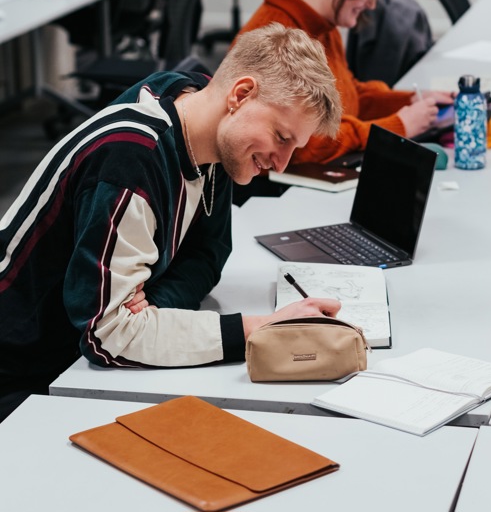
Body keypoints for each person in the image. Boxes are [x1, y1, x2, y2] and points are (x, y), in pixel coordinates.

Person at [0, 23, 342, 421]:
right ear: (241, 94)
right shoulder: (131, 163)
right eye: (281, 137)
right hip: (23, 373)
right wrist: (261, 328)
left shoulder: (208, 124)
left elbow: (208, 255)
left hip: (71, 361)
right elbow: (111, 336)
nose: (280, 163)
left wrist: (152, 308)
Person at [236, 0, 454, 165]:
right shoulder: (276, 37)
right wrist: (397, 126)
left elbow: (348, 99)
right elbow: (303, 147)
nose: (372, 3)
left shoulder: (323, 25)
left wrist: (412, 101)